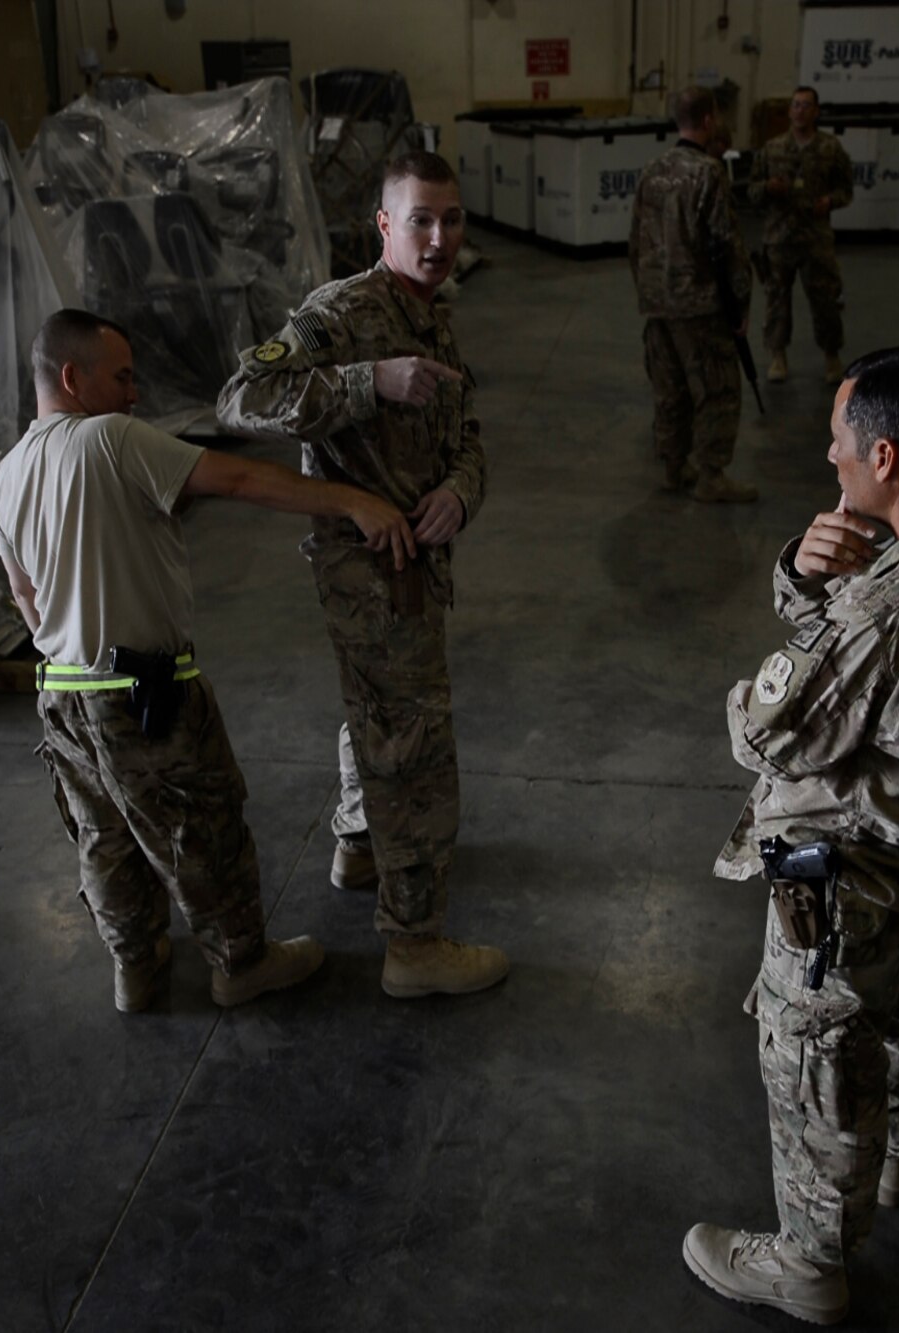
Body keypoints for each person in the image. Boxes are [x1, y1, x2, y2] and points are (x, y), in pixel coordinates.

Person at [683, 345, 899, 1326]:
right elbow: (881, 685)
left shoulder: (887, 608)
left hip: (848, 875)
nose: (826, 456)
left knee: (811, 1060)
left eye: (838, 440)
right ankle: (897, 1156)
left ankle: (805, 1265)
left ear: (882, 456)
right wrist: (805, 579)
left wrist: (768, 662)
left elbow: (769, 729)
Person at [0, 308, 418, 1013]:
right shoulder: (110, 440)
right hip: (140, 690)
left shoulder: (7, 475)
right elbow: (240, 481)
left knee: (106, 840)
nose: (134, 395)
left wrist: (75, 631)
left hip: (61, 696)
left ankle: (136, 966)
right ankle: (241, 962)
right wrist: (351, 500)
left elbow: (24, 597)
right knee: (202, 824)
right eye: (123, 377)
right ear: (72, 377)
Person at [215, 151, 509, 1000]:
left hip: (421, 561)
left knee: (377, 713)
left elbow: (470, 435)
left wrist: (459, 490)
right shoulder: (342, 312)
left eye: (452, 219)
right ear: (384, 224)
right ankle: (414, 944)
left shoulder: (433, 315)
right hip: (366, 569)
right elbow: (239, 398)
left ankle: (355, 838)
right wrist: (364, 383)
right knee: (415, 746)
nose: (439, 237)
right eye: (420, 219)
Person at [629, 85, 757, 503]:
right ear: (708, 120)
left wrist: (647, 290)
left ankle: (672, 466)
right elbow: (726, 244)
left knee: (670, 388)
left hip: (657, 303)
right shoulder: (708, 172)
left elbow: (635, 240)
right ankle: (711, 476)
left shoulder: (652, 169)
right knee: (716, 388)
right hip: (699, 304)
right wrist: (740, 303)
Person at [748, 86, 856, 384]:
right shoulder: (772, 149)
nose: (800, 111)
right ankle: (777, 356)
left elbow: (846, 189)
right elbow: (751, 190)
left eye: (807, 105)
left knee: (825, 301)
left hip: (815, 239)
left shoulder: (830, 148)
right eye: (795, 105)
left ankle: (831, 355)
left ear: (816, 111)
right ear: (789, 111)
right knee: (776, 301)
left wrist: (830, 201)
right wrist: (768, 187)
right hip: (778, 238)